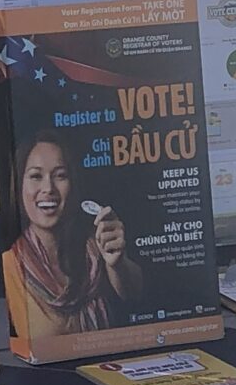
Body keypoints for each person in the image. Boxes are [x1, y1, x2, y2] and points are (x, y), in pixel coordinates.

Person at [10, 135, 142, 337]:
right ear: (20, 186)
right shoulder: (9, 266)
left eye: (60, 176)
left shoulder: (96, 248)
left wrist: (117, 262)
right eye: (36, 176)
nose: (48, 189)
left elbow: (137, 295)